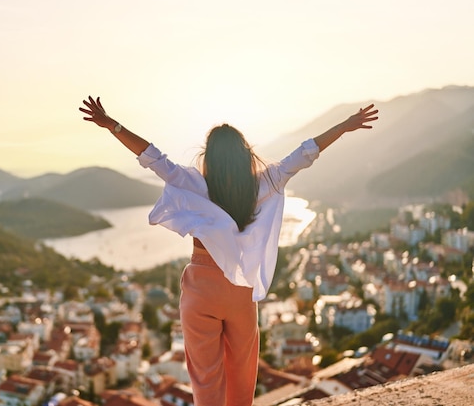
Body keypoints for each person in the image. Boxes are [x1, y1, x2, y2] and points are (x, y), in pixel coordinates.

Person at [79, 96, 378, 406]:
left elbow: (152, 157)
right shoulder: (263, 183)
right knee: (242, 374)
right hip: (240, 290)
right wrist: (344, 126)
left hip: (201, 288)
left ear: (208, 157)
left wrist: (111, 124)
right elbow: (304, 154)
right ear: (243, 156)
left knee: (205, 378)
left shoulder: (193, 183)